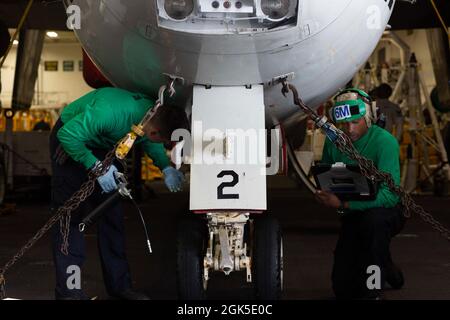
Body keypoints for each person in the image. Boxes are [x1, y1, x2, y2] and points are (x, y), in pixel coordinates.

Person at [49, 87, 189, 300]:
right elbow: (67, 135)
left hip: (102, 144)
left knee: (112, 217)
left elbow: (145, 139)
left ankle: (120, 288)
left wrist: (165, 166)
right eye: (162, 143)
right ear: (155, 133)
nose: (160, 146)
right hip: (72, 141)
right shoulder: (110, 113)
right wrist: (96, 167)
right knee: (72, 219)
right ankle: (70, 292)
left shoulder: (149, 113)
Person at [315, 88, 406, 300]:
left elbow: (390, 196)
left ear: (368, 117)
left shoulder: (385, 142)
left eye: (355, 122)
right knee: (342, 288)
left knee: (373, 226)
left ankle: (374, 290)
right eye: (344, 124)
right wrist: (323, 193)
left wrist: (344, 205)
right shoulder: (333, 141)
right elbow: (328, 176)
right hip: (355, 211)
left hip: (386, 210)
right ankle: (388, 266)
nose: (350, 129)